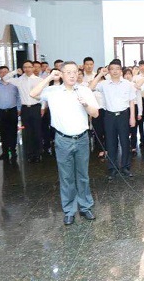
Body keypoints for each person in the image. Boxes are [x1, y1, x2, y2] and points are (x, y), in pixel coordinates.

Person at [30, 62, 100, 226]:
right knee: (66, 177)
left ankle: (85, 207)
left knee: (83, 175)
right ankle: (69, 211)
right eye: (68, 72)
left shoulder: (84, 90)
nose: (72, 75)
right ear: (61, 74)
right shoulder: (53, 91)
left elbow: (95, 113)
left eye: (74, 72)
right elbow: (33, 93)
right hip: (62, 140)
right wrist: (49, 77)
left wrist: (85, 104)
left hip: (81, 139)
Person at [90, 60, 137, 179]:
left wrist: (132, 117)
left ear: (121, 71)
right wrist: (100, 74)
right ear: (109, 71)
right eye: (112, 69)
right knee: (111, 143)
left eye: (117, 69)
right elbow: (90, 88)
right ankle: (112, 168)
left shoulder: (127, 84)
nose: (115, 71)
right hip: (109, 116)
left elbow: (131, 101)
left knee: (125, 142)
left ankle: (125, 167)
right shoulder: (104, 84)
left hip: (123, 115)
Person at [3, 60, 44, 163]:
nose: (27, 69)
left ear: (33, 68)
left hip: (36, 108)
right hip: (25, 109)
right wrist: (14, 72)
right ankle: (30, 154)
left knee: (37, 131)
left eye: (29, 67)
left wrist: (43, 108)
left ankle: (38, 154)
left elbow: (44, 95)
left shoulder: (39, 80)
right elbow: (5, 78)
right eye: (25, 67)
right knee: (27, 132)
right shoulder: (19, 80)